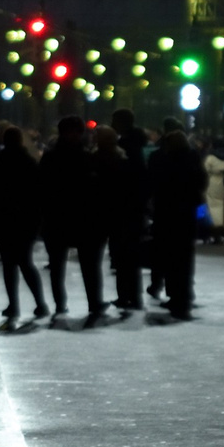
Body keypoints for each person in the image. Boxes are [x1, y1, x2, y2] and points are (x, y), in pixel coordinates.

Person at [39, 116, 108, 325]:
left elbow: (41, 188)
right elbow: (97, 190)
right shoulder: (87, 157)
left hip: (56, 218)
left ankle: (60, 304)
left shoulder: (50, 157)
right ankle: (94, 304)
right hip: (85, 218)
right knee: (90, 266)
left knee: (57, 266)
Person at [0, 125, 46, 326]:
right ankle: (40, 303)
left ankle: (13, 305)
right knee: (26, 262)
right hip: (26, 221)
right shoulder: (30, 163)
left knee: (9, 265)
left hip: (4, 221)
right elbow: (38, 194)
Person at [149, 118, 203, 318]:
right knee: (186, 258)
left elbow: (156, 186)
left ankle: (175, 296)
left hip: (167, 215)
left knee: (170, 257)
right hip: (187, 216)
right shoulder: (193, 158)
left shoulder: (164, 160)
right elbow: (200, 184)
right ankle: (185, 295)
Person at [100, 120, 148, 310]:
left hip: (118, 213)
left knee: (121, 258)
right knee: (130, 259)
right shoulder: (133, 155)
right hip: (132, 213)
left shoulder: (116, 158)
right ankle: (133, 296)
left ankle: (125, 296)